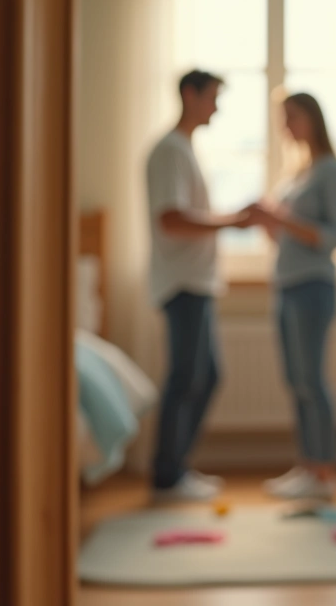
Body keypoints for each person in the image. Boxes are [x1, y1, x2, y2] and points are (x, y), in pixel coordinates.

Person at [147, 69, 256, 503]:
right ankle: (167, 476)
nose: (217, 107)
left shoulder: (184, 149)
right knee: (186, 379)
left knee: (205, 376)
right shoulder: (170, 151)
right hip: (183, 283)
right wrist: (233, 220)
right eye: (212, 97)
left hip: (197, 282)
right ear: (189, 95)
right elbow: (170, 219)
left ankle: (175, 468)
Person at [254, 92, 336, 501]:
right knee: (295, 380)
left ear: (312, 118)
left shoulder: (330, 172)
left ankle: (324, 470)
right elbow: (284, 234)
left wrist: (284, 220)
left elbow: (335, 236)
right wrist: (268, 222)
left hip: (314, 287)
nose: (285, 126)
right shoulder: (295, 174)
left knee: (312, 380)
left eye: (290, 116)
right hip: (287, 285)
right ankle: (308, 465)